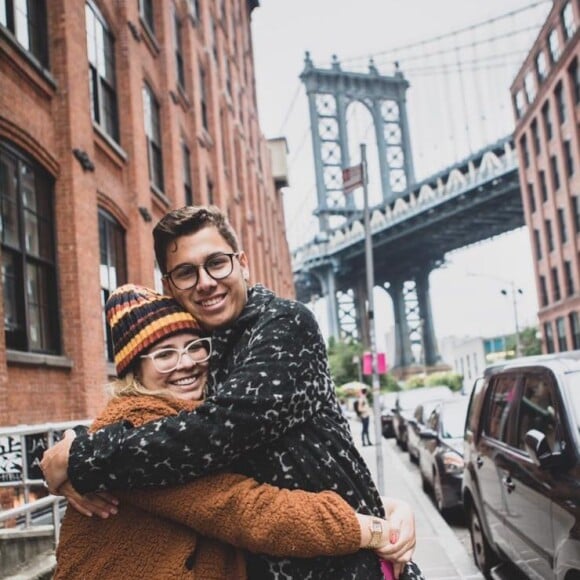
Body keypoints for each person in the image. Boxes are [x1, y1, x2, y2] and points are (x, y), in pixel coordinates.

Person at [42, 205, 422, 579]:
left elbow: (218, 433)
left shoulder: (283, 324)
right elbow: (230, 492)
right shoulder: (210, 346)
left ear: (242, 262)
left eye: (217, 263)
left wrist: (79, 460)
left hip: (341, 568)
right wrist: (75, 462)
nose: (206, 282)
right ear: (169, 286)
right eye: (186, 273)